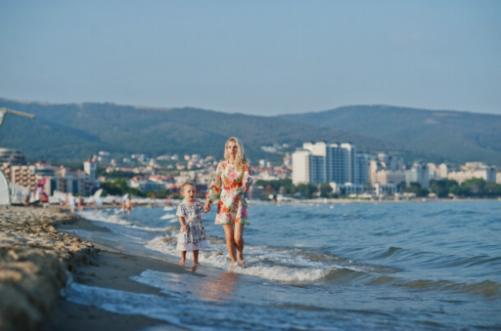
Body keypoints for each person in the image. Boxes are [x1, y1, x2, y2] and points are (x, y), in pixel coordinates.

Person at [204, 136, 252, 267]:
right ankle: (234, 263)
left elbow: (246, 182)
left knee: (237, 237)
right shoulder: (222, 165)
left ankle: (240, 254)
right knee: (229, 237)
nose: (232, 150)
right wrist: (208, 201)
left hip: (239, 203)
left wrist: (241, 189)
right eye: (229, 147)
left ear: (239, 149)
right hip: (224, 203)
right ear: (226, 149)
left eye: (235, 147)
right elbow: (216, 184)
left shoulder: (244, 166)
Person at [176, 182, 208, 271]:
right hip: (186, 227)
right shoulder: (182, 205)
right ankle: (183, 258)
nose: (191, 193)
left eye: (193, 191)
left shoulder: (198, 203)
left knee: (196, 245)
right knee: (184, 244)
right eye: (189, 191)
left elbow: (204, 210)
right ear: (183, 193)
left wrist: (206, 208)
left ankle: (195, 260)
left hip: (197, 227)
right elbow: (180, 216)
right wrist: (183, 225)